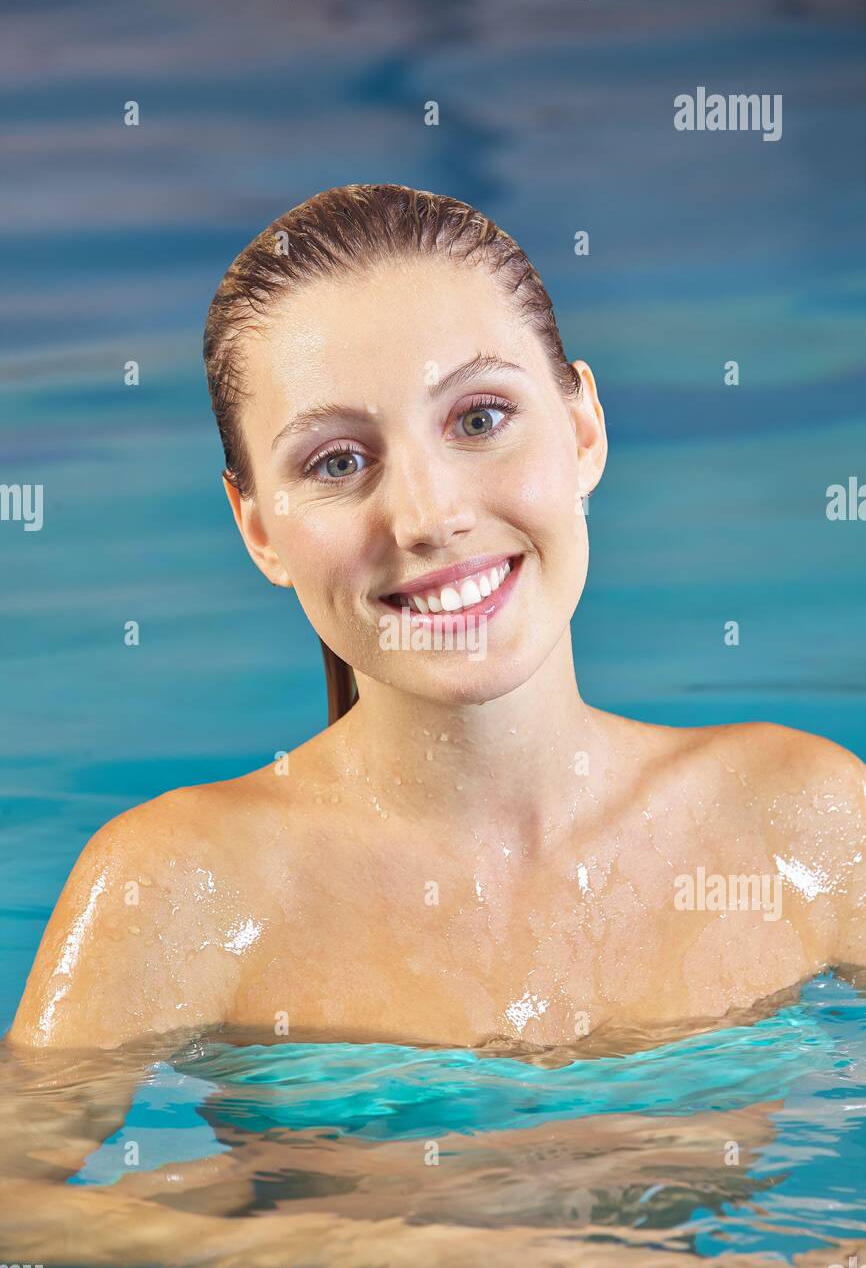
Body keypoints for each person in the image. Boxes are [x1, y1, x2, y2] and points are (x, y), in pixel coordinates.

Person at [9, 183, 866, 1053]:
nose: (426, 516)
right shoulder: (181, 890)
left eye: (480, 417)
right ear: (258, 528)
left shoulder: (800, 824)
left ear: (583, 433)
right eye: (337, 461)